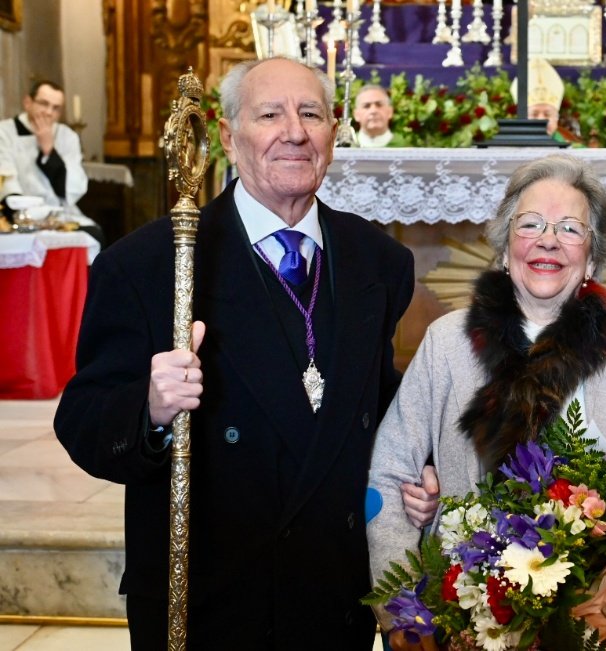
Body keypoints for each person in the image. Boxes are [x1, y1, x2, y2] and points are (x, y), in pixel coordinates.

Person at [54, 57, 416, 649]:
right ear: (227, 136)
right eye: (269, 115)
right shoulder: (148, 265)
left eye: (311, 114)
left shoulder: (378, 259)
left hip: (332, 592)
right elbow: (82, 422)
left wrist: (416, 464)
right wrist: (150, 409)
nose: (294, 132)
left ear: (334, 131)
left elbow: (375, 402)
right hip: (212, 598)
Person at [367, 153, 606, 651]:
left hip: (588, 622)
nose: (548, 240)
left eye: (570, 228)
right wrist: (405, 615)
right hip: (463, 620)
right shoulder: (446, 343)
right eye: (530, 224)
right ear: (506, 248)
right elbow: (388, 471)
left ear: (592, 258)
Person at [0, 80, 103, 245]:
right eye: (44, 104)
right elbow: (6, 182)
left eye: (56, 108)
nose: (49, 112)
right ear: (27, 102)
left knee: (93, 235)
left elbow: (73, 187)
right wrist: (26, 215)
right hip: (19, 216)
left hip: (58, 214)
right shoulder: (5, 132)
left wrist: (49, 151)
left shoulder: (67, 136)